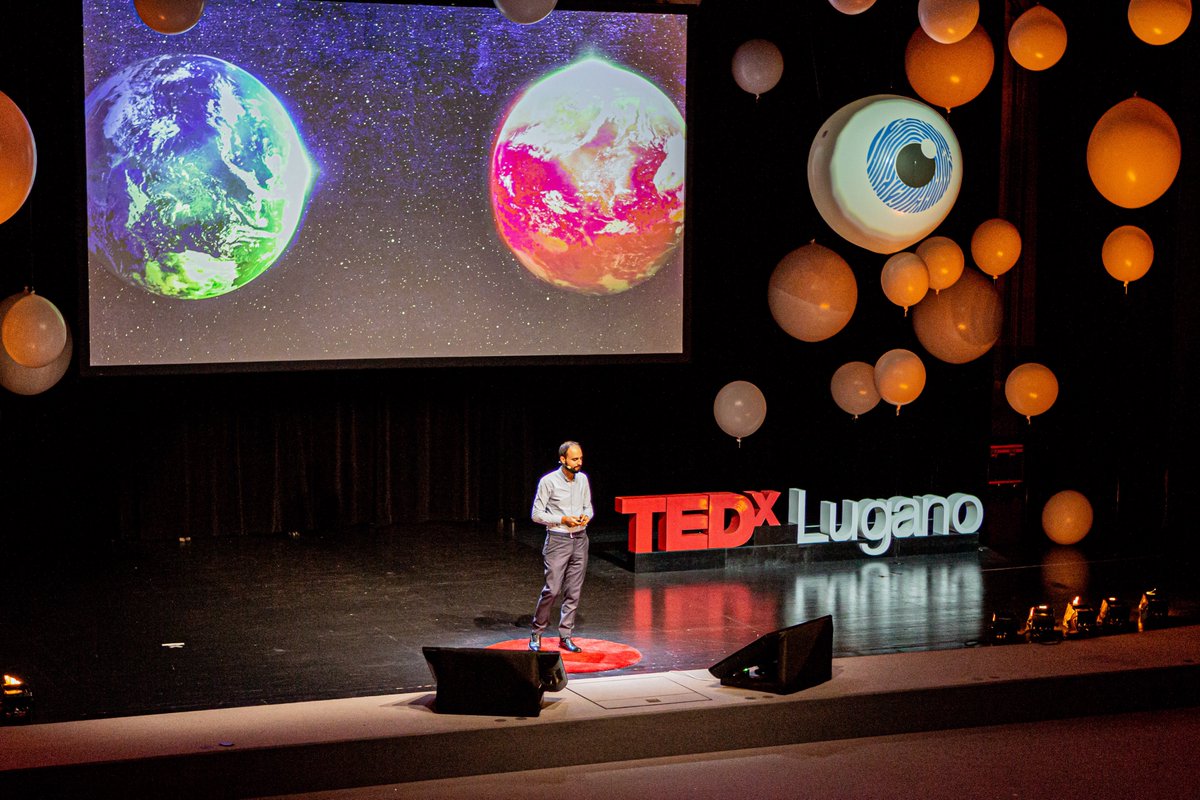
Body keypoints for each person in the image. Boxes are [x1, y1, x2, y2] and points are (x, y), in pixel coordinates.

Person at [529, 440, 593, 653]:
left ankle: (566, 635)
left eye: (581, 458)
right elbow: (536, 515)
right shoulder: (548, 481)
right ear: (562, 459)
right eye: (574, 459)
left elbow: (588, 507)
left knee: (573, 591)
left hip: (580, 539)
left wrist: (586, 516)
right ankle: (537, 632)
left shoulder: (582, 480)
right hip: (558, 540)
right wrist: (562, 519)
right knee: (553, 589)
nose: (579, 463)